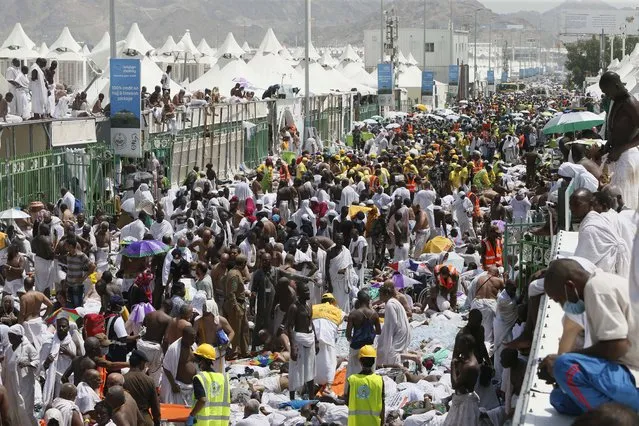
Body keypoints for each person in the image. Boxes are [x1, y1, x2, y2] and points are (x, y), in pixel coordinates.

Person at [541, 258, 639, 416]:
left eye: (560, 299)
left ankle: (622, 417)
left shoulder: (597, 289)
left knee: (564, 365)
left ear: (570, 286)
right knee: (558, 398)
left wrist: (564, 358)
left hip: (630, 375)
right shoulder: (598, 286)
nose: (562, 306)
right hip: (623, 374)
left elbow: (617, 346)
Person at [599, 71, 639, 210]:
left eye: (606, 91)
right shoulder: (616, 101)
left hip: (627, 156)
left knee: (625, 200)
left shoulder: (631, 103)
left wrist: (621, 149)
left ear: (616, 86)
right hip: (617, 154)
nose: (606, 95)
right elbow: (614, 129)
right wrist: (609, 144)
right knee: (614, 199)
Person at [570, 188, 630, 277]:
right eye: (570, 204)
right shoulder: (596, 219)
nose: (572, 208)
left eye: (577, 204)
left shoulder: (591, 228)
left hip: (606, 278)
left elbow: (580, 265)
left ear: (591, 204)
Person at [287, 281, 318, 400]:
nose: (308, 293)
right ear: (299, 293)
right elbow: (289, 327)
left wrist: (316, 340)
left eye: (308, 290)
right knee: (295, 370)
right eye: (305, 291)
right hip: (299, 340)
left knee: (310, 369)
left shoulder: (309, 305)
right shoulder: (294, 307)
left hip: (309, 339)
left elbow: (311, 323)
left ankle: (311, 396)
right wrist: (293, 347)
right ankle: (292, 398)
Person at [2, 324, 38, 426]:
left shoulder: (28, 347)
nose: (9, 338)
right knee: (13, 408)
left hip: (24, 383)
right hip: (11, 383)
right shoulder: (9, 349)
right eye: (9, 336)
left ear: (19, 336)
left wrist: (28, 364)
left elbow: (37, 361)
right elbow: (5, 366)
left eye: (12, 336)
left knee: (24, 408)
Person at [187, 343, 230, 426]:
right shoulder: (223, 378)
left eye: (196, 360)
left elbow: (202, 400)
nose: (194, 362)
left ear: (202, 361)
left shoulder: (199, 378)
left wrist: (191, 415)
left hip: (203, 423)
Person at [345, 290, 381, 389]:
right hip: (369, 346)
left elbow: (348, 334)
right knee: (370, 370)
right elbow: (378, 331)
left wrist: (352, 339)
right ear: (368, 300)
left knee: (352, 370)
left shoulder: (353, 314)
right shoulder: (374, 314)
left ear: (358, 301)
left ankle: (350, 391)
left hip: (356, 345)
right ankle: (369, 390)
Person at [312, 293, 344, 397]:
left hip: (313, 338)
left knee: (314, 362)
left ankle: (312, 384)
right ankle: (328, 387)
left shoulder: (313, 308)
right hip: (328, 338)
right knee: (330, 362)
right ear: (332, 302)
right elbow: (347, 317)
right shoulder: (338, 311)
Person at [445, 334, 481, 426]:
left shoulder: (469, 366)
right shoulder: (464, 361)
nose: (457, 347)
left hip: (466, 404)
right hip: (461, 400)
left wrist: (453, 365)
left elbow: (454, 384)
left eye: (459, 344)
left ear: (466, 344)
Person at [41, 316, 78, 406]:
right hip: (53, 377)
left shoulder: (73, 342)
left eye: (64, 326)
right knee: (55, 401)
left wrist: (68, 353)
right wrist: (47, 362)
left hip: (68, 378)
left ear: (68, 328)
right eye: (59, 326)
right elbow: (42, 367)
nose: (61, 328)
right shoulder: (49, 343)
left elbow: (78, 361)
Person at [345, 345, 385, 426]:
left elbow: (347, 401)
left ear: (360, 360)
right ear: (374, 361)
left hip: (355, 423)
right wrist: (383, 422)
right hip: (374, 423)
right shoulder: (379, 380)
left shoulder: (352, 380)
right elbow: (382, 403)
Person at [138, 298, 172, 386]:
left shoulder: (149, 314)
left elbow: (143, 329)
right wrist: (166, 354)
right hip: (155, 349)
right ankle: (153, 395)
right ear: (169, 308)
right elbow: (166, 339)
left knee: (139, 372)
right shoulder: (168, 319)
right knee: (154, 376)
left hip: (142, 345)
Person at [376, 282, 410, 368]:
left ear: (386, 294)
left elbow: (393, 322)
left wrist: (387, 336)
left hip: (398, 331)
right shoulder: (393, 301)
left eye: (381, 294)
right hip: (402, 329)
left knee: (392, 354)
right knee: (399, 351)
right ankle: (407, 367)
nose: (379, 297)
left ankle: (415, 358)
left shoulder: (390, 304)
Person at [123, 350, 161, 426]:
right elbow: (155, 406)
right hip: (145, 418)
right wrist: (157, 422)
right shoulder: (149, 380)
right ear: (141, 364)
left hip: (127, 418)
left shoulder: (123, 379)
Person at [161, 325, 197, 404]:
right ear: (184, 336)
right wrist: (173, 384)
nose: (194, 340)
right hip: (179, 388)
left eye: (194, 338)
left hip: (191, 388)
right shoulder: (174, 349)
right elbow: (166, 366)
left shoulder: (193, 347)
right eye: (191, 338)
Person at [469, 266, 504, 344]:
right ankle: (485, 349)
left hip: (477, 303)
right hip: (489, 304)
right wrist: (505, 279)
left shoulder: (480, 278)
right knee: (487, 333)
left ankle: (472, 344)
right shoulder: (498, 280)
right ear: (497, 274)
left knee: (474, 327)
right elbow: (505, 293)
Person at [224, 254, 249, 359]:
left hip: (241, 303)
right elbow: (231, 293)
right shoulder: (234, 274)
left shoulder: (236, 272)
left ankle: (244, 351)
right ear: (243, 264)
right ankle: (234, 352)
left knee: (244, 328)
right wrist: (236, 307)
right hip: (236, 305)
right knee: (235, 329)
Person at [325, 232, 356, 314]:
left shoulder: (346, 252)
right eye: (337, 239)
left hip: (344, 283)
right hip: (334, 282)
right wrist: (330, 284)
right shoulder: (330, 252)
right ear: (334, 240)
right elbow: (327, 269)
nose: (339, 241)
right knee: (334, 302)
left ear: (343, 240)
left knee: (344, 302)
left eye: (340, 239)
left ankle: (344, 319)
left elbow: (350, 268)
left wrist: (350, 281)